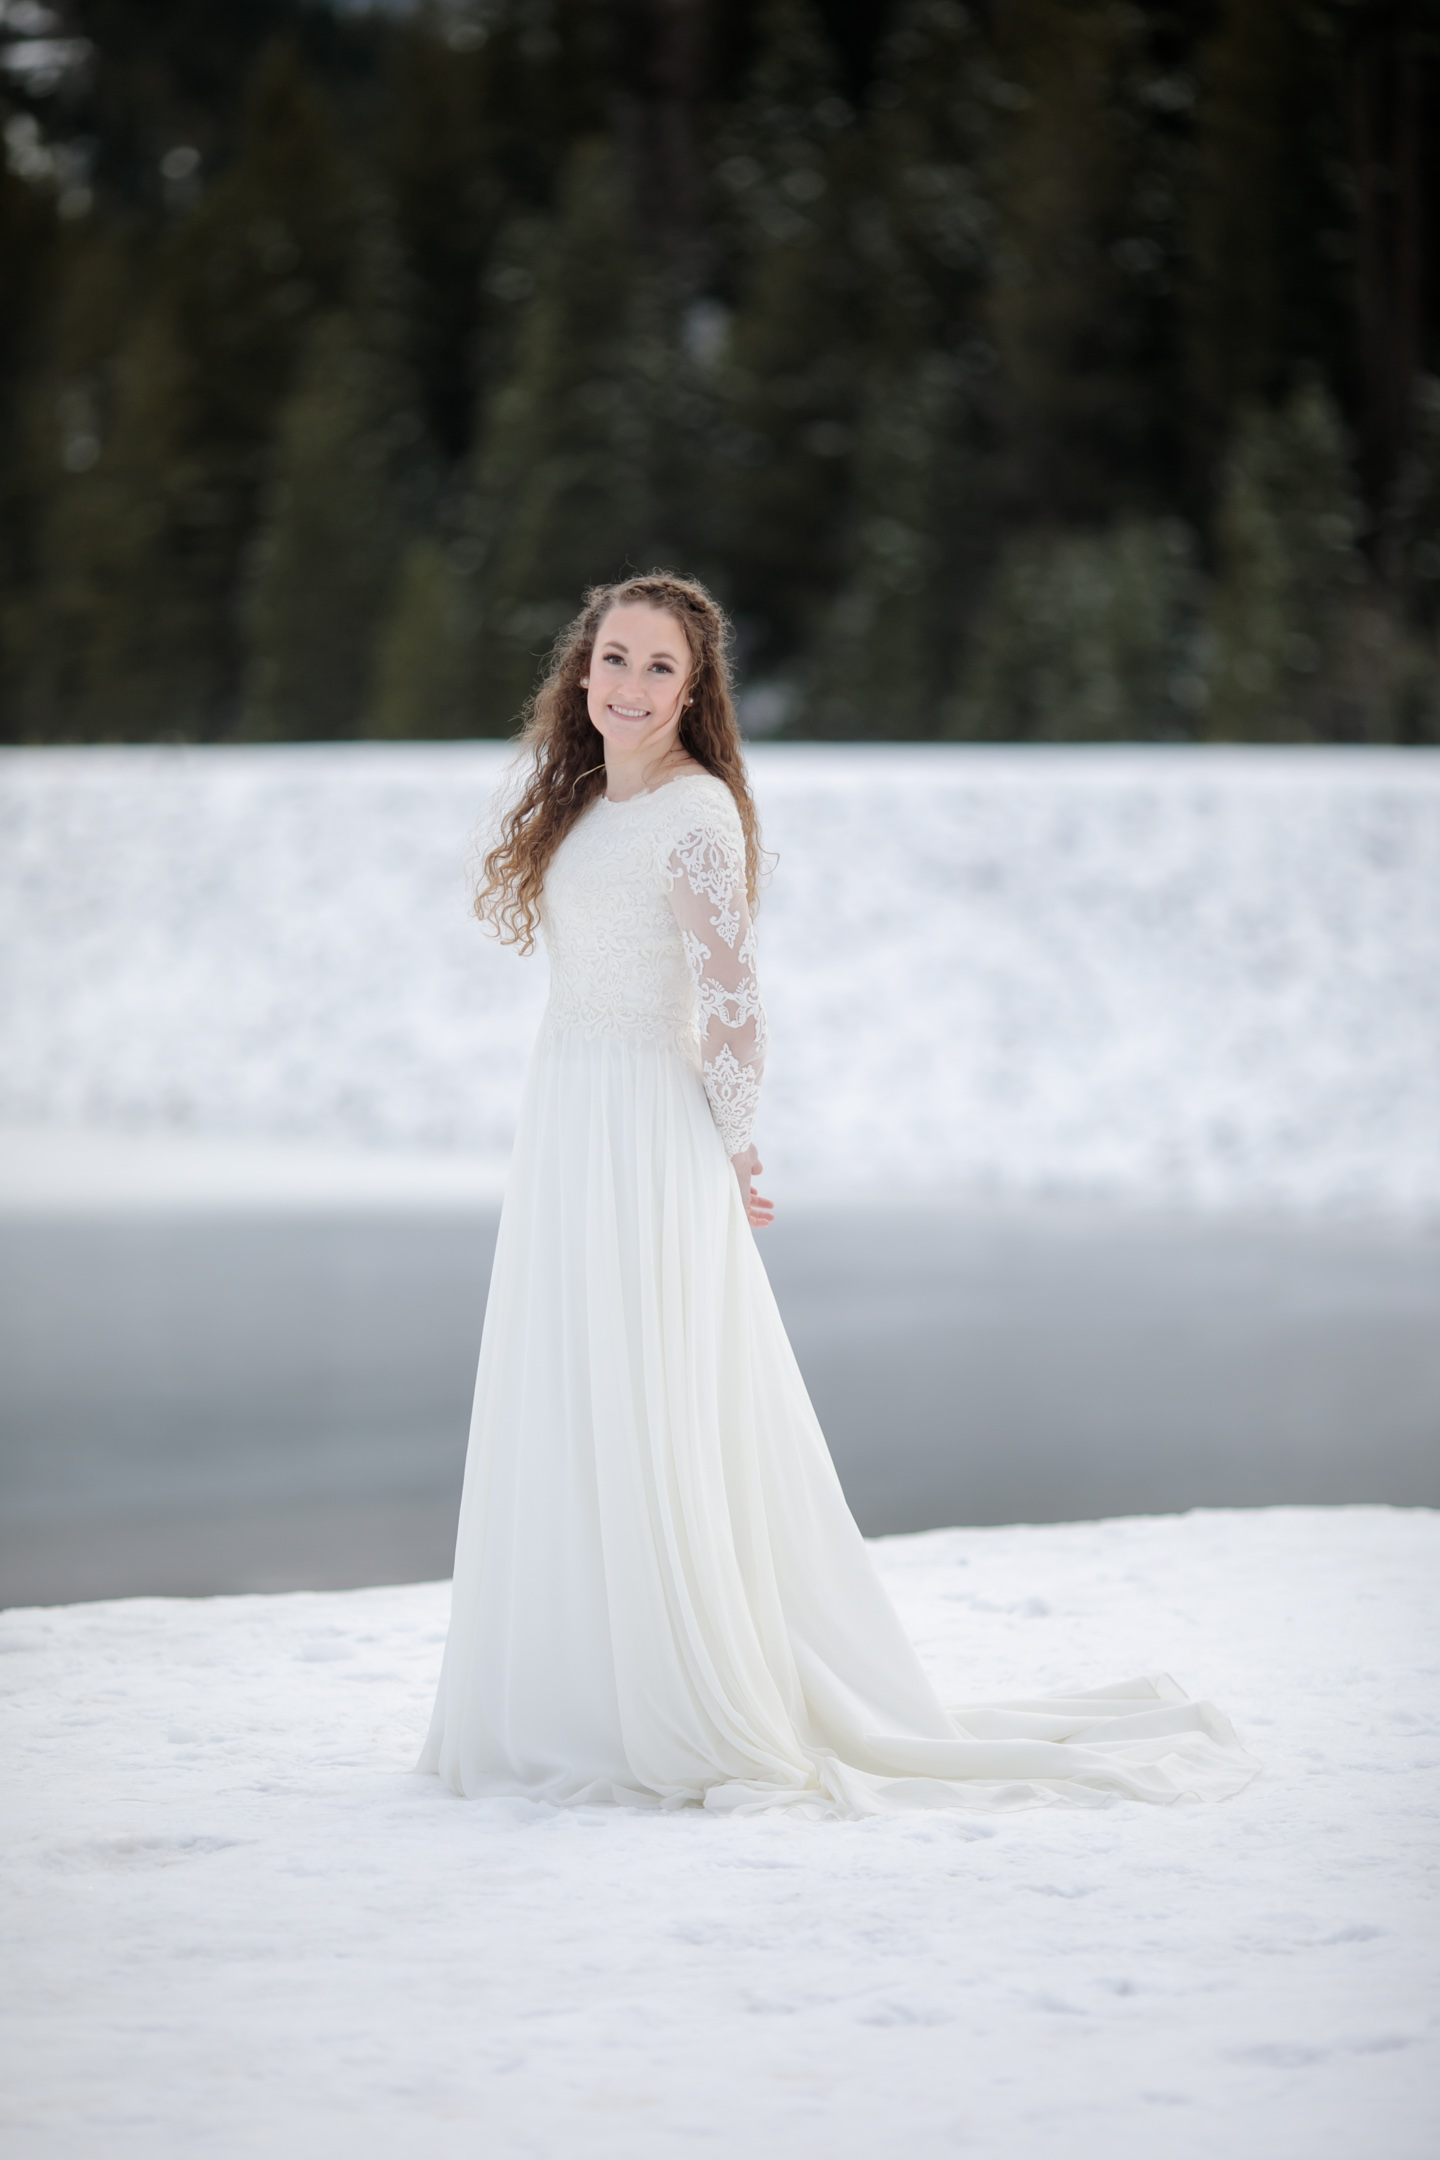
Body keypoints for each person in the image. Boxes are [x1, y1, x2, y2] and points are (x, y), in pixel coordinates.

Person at [418, 572, 1257, 1816]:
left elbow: (738, 1005)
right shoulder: (587, 806)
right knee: (574, 1384)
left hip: (648, 1132)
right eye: (614, 660)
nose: (630, 687)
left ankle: (683, 1693)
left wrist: (734, 1145)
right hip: (567, 1124)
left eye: (660, 668)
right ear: (579, 673)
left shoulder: (697, 815)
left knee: (652, 1393)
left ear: (695, 694)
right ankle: (572, 1691)